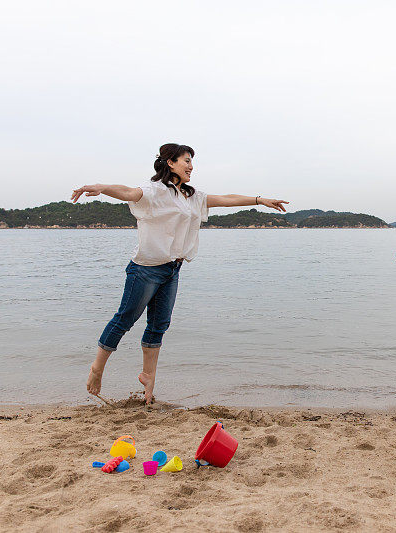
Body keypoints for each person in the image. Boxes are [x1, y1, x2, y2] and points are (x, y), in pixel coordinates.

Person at [71, 143, 288, 404]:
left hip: (173, 269)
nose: (191, 166)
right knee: (124, 320)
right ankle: (97, 369)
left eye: (192, 162)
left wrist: (259, 200)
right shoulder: (154, 192)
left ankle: (148, 384)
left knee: (159, 326)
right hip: (145, 270)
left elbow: (225, 199)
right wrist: (102, 187)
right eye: (186, 161)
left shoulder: (192, 196)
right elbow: (128, 191)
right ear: (170, 162)